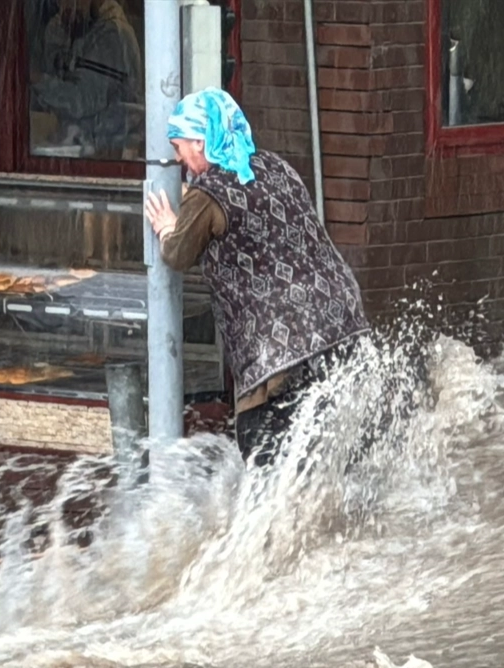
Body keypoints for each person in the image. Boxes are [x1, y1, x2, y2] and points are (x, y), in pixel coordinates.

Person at [144, 87, 370, 467]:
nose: (179, 159)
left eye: (179, 147)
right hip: (338, 321)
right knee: (332, 451)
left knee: (266, 461)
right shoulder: (272, 166)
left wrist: (168, 227)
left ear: (200, 142)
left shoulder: (209, 194)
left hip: (278, 351)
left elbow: (178, 252)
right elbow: (253, 217)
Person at [31, 0, 143, 158]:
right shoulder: (62, 28)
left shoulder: (113, 34)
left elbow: (82, 101)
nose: (64, 8)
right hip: (71, 146)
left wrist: (37, 80)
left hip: (109, 154)